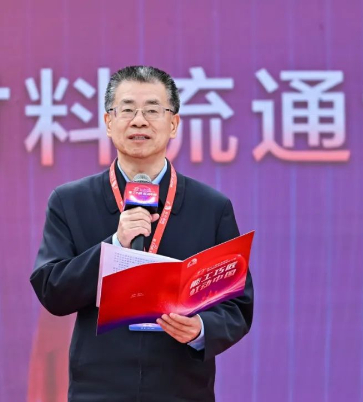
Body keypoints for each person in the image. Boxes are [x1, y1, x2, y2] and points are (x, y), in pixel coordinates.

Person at [30, 66, 254, 401]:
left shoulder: (211, 208)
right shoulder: (70, 201)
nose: (139, 121)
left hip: (181, 391)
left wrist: (201, 329)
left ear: (173, 123)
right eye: (127, 110)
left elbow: (237, 304)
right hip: (98, 392)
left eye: (152, 110)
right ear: (108, 122)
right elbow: (52, 290)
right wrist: (114, 245)